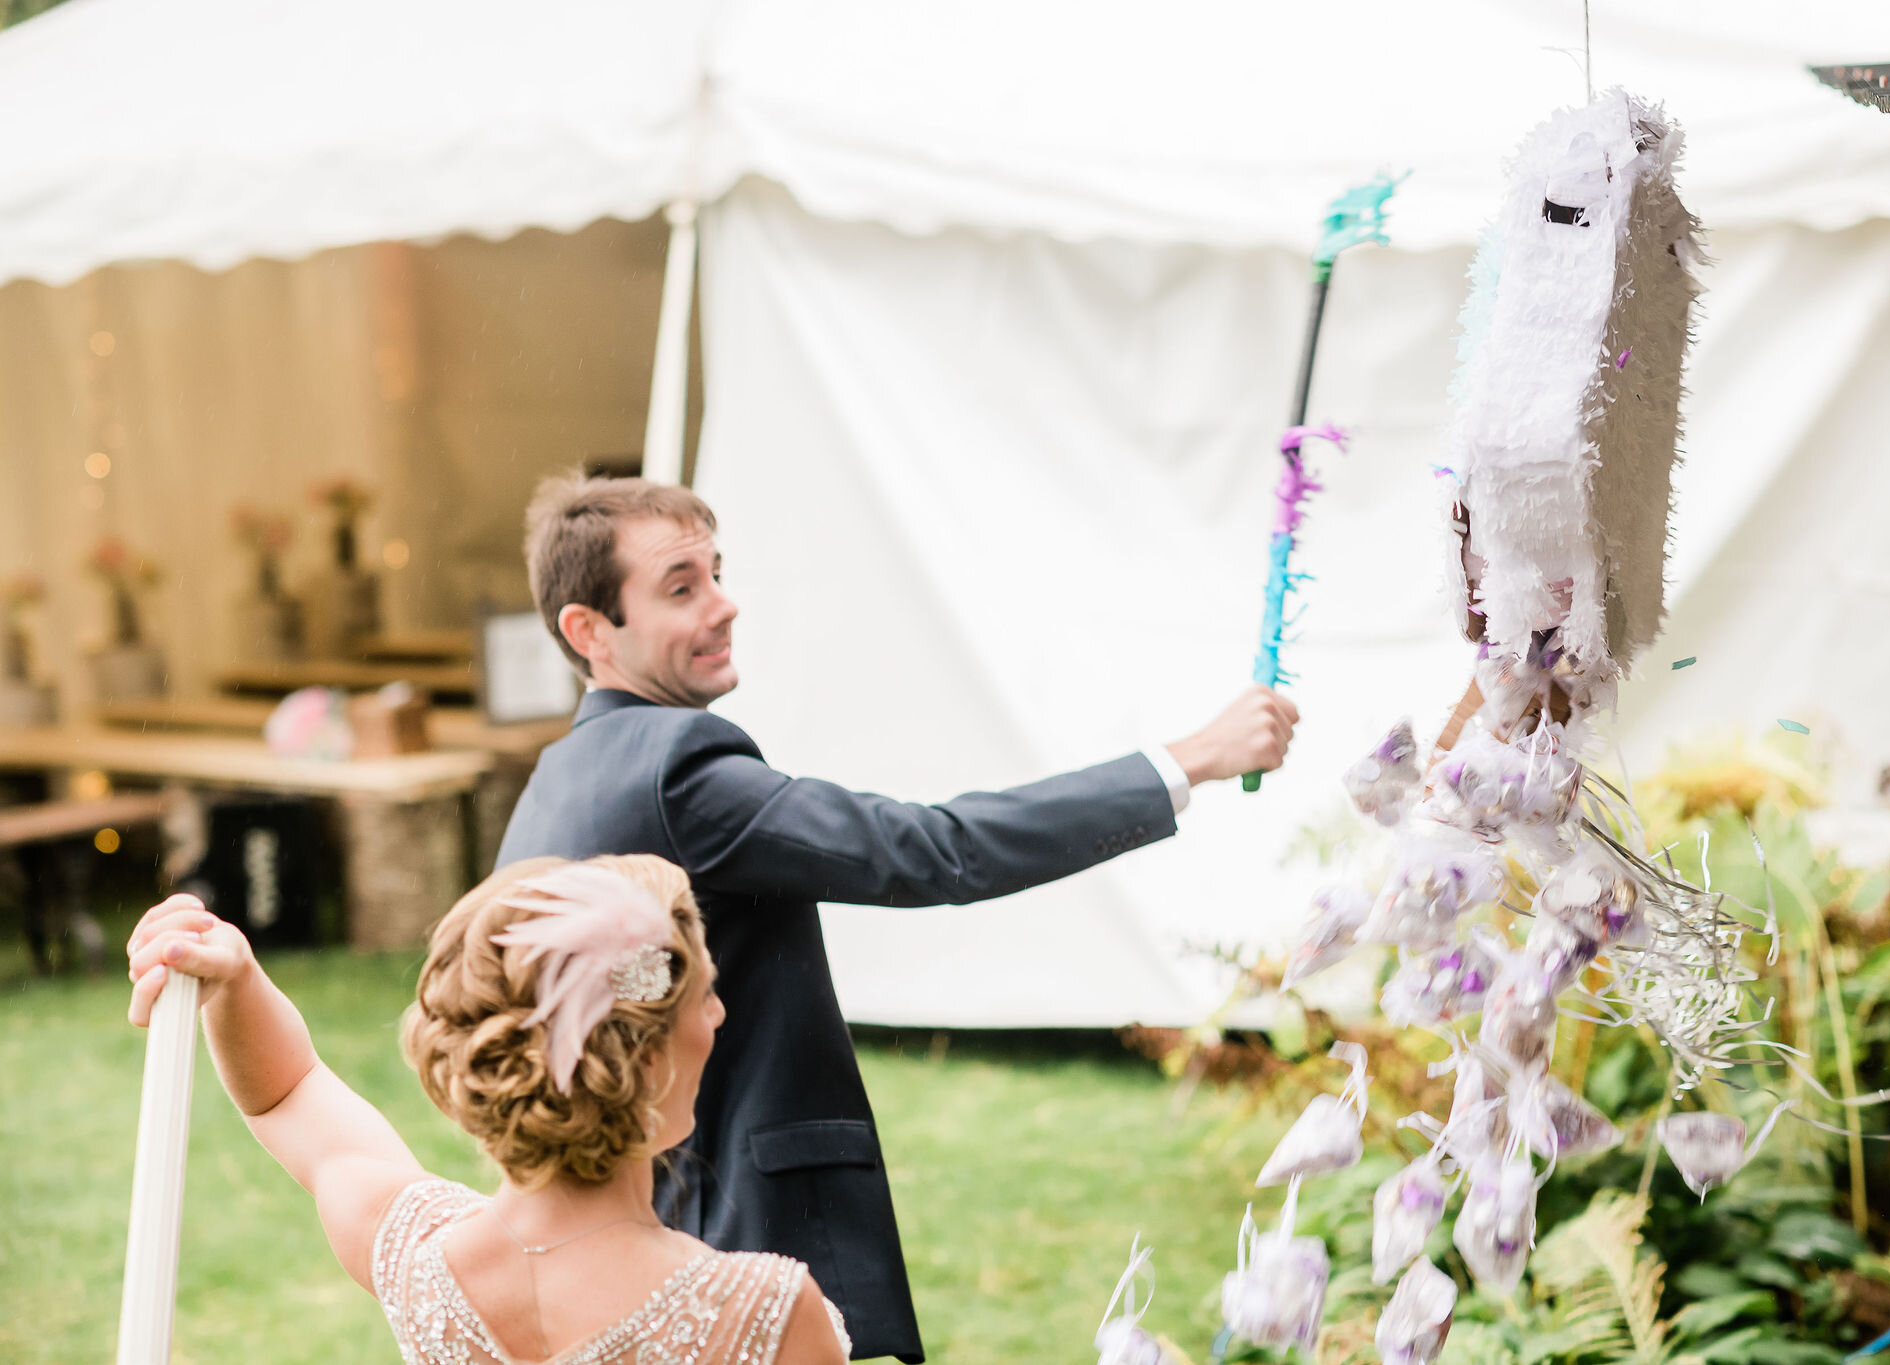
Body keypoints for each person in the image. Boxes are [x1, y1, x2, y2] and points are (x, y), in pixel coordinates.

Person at [495, 474, 1301, 1362]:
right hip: (733, 1216)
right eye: (681, 587)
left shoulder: (556, 782)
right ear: (588, 630)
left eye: (718, 572)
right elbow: (933, 849)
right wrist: (1188, 760)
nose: (725, 606)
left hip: (622, 1224)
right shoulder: (678, 767)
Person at [123, 854, 851, 1365]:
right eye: (705, 995)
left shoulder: (423, 1262)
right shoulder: (764, 1315)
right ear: (650, 1059)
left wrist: (236, 977)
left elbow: (288, 1092)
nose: (719, 1015)